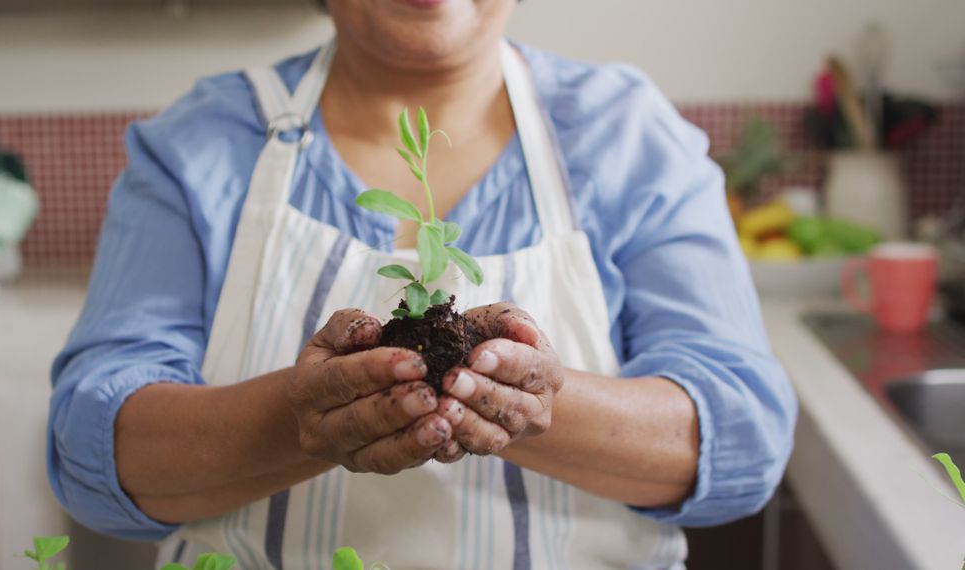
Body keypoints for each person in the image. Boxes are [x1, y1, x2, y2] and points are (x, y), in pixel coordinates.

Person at [48, 0, 797, 568]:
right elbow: (91, 451)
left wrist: (531, 404)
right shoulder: (199, 143)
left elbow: (741, 437)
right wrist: (307, 417)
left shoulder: (626, 136)